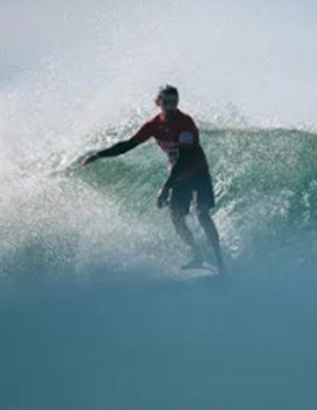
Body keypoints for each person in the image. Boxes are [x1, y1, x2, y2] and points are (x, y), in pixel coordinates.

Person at [82, 85, 224, 272]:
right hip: (179, 178)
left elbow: (184, 157)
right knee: (176, 218)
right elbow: (128, 144)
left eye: (174, 102)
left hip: (198, 174)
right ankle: (196, 254)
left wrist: (165, 188)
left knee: (202, 213)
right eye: (166, 103)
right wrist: (99, 155)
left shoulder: (186, 123)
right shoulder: (153, 126)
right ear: (158, 103)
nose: (171, 107)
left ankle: (220, 262)